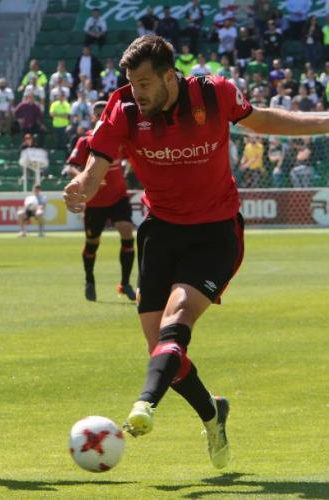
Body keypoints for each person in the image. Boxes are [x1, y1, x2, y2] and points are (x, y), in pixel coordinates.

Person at [63, 34, 329, 470]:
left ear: (170, 76)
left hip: (215, 233)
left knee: (178, 318)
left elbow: (262, 120)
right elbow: (96, 166)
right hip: (161, 232)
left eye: (145, 83)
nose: (137, 92)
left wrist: (324, 121)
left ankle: (144, 404)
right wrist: (82, 186)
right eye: (132, 83)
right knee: (162, 349)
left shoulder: (213, 94)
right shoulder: (123, 108)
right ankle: (212, 413)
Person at [64, 101, 136, 303]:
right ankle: (89, 280)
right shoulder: (85, 141)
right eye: (96, 114)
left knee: (126, 231)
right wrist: (86, 178)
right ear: (92, 117)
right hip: (95, 201)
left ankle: (125, 283)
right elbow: (70, 167)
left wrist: (127, 173)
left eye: (103, 113)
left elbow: (133, 157)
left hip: (119, 197)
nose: (100, 116)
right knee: (92, 242)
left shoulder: (120, 139)